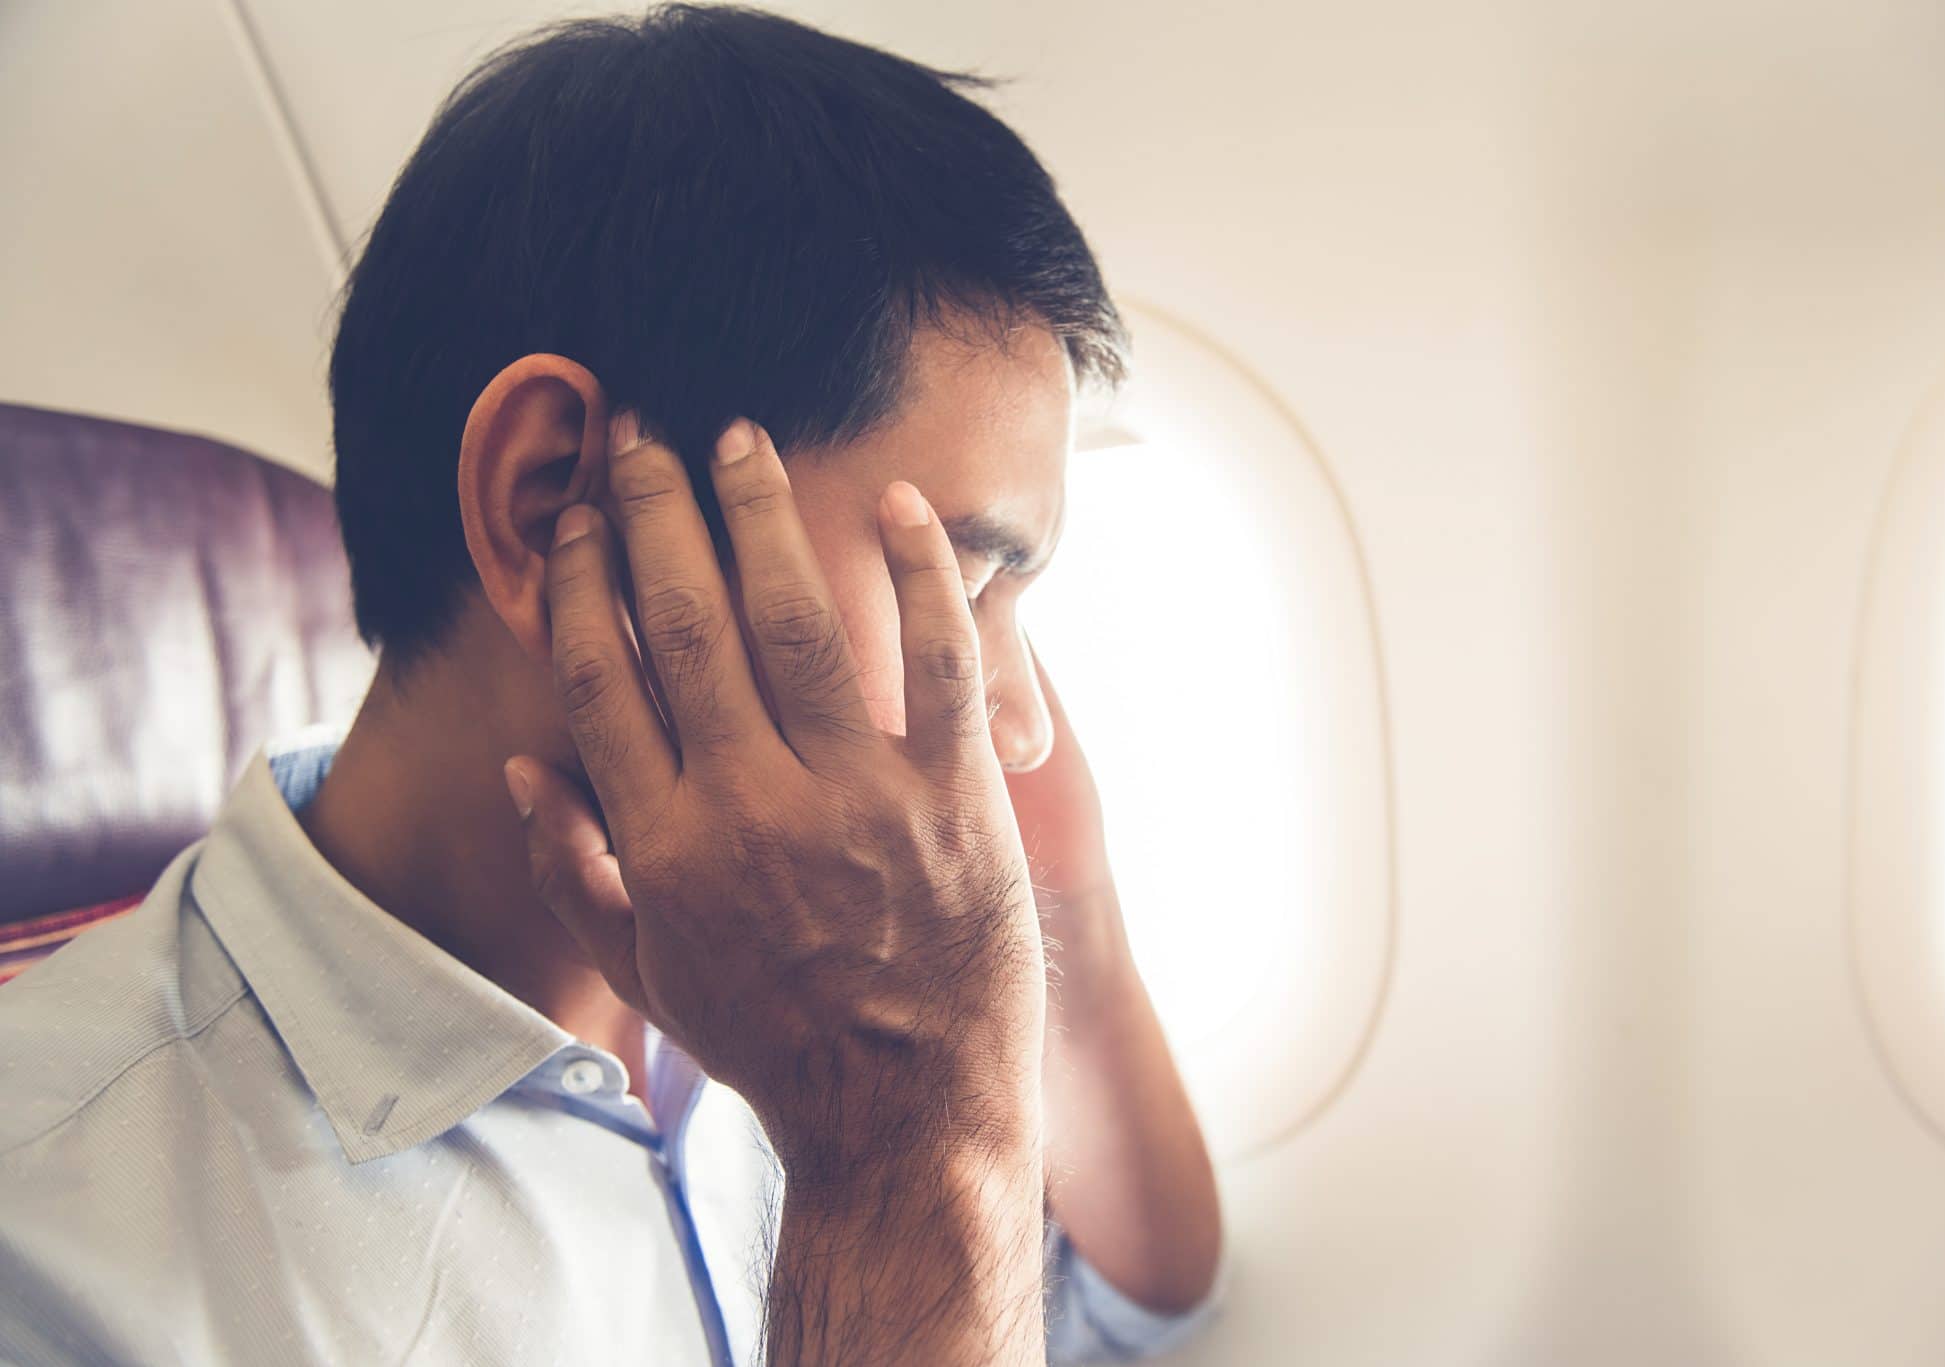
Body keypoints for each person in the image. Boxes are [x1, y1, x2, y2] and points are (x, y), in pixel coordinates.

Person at [0, 5, 1222, 1365]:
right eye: (956, 575)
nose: (1017, 713)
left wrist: (1069, 908)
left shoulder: (778, 958)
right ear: (548, 503)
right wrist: (896, 1142)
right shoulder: (53, 1250)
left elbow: (1132, 1306)